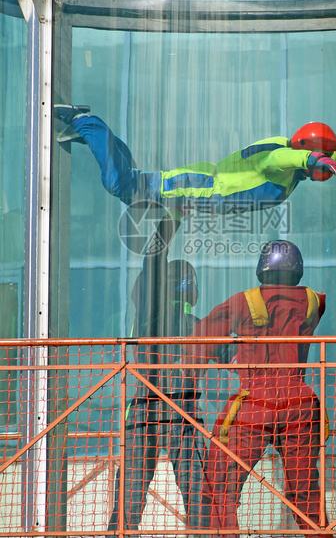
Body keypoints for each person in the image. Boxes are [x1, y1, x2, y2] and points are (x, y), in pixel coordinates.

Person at [184, 240, 333, 538]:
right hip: (300, 405)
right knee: (304, 492)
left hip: (255, 403)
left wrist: (222, 360)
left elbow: (199, 337)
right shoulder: (315, 302)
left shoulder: (244, 302)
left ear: (262, 268)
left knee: (220, 484)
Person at [54, 105, 336, 214]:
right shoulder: (281, 163)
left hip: (200, 188)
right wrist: (313, 160)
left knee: (129, 181)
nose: (323, 172)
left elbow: (322, 149)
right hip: (201, 186)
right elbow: (288, 158)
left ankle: (93, 136)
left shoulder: (289, 149)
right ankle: (86, 122)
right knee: (119, 184)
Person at [107, 211, 210, 533]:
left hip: (144, 412)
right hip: (184, 415)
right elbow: (239, 356)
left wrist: (171, 222)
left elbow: (152, 262)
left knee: (129, 501)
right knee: (198, 498)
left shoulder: (150, 316)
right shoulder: (201, 328)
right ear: (192, 290)